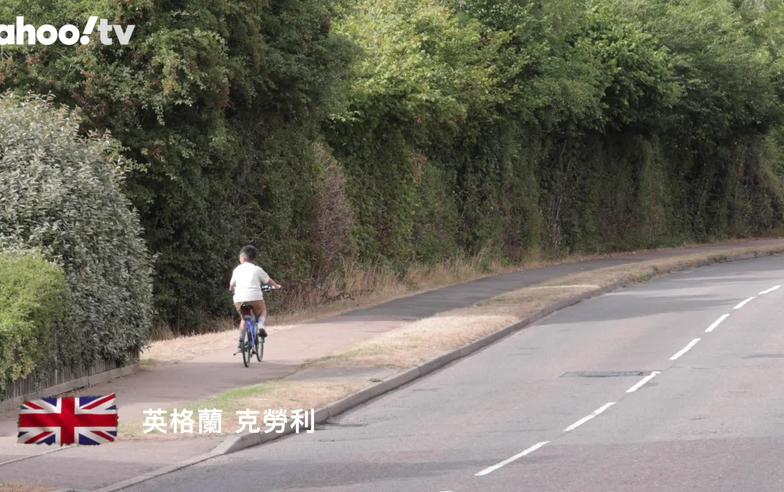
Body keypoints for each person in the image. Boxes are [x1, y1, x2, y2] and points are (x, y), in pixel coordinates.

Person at [229, 245, 281, 349]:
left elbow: (231, 286)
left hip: (239, 299)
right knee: (263, 311)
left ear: (242, 258)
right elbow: (268, 281)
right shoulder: (257, 269)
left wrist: (232, 289)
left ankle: (240, 341)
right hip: (255, 297)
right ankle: (261, 325)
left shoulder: (237, 270)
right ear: (252, 258)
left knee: (244, 318)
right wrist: (276, 286)